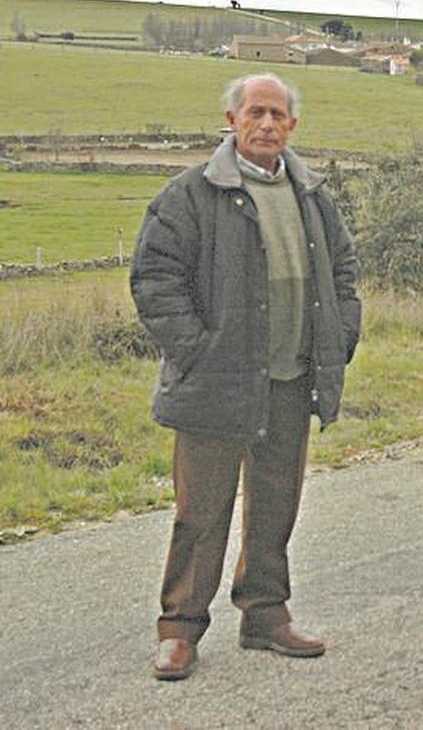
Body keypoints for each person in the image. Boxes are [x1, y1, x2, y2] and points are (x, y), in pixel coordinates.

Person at [131, 73, 361, 681]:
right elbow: (156, 281)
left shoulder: (312, 195)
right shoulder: (190, 195)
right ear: (230, 121)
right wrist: (198, 352)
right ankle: (179, 630)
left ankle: (264, 614)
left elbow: (343, 272)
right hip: (215, 385)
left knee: (275, 506)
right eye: (254, 112)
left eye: (277, 115)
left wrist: (339, 339)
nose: (266, 124)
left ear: (292, 126)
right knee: (200, 513)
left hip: (289, 380)